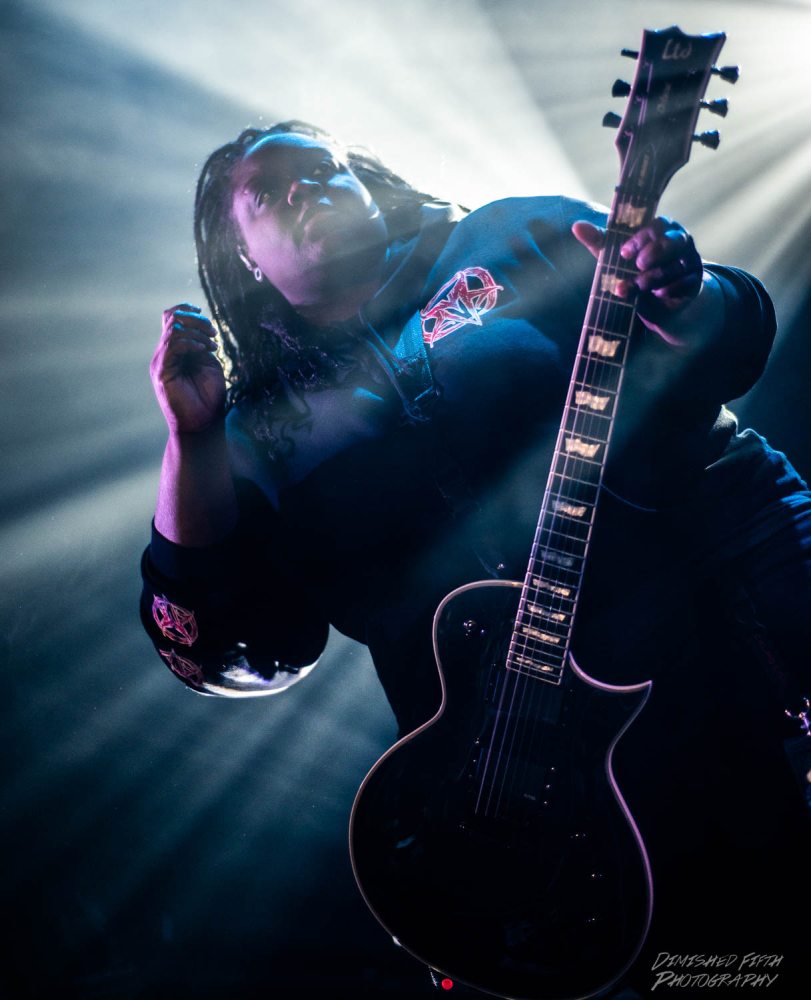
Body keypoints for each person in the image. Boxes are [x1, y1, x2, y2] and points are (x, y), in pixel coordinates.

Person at [140, 121, 809, 996]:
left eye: (319, 168)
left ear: (364, 181)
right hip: (524, 758)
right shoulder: (254, 432)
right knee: (697, 959)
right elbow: (228, 650)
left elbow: (725, 343)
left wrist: (686, 296)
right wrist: (192, 441)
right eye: (267, 192)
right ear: (243, 258)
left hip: (729, 589)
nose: (303, 189)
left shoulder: (512, 234)